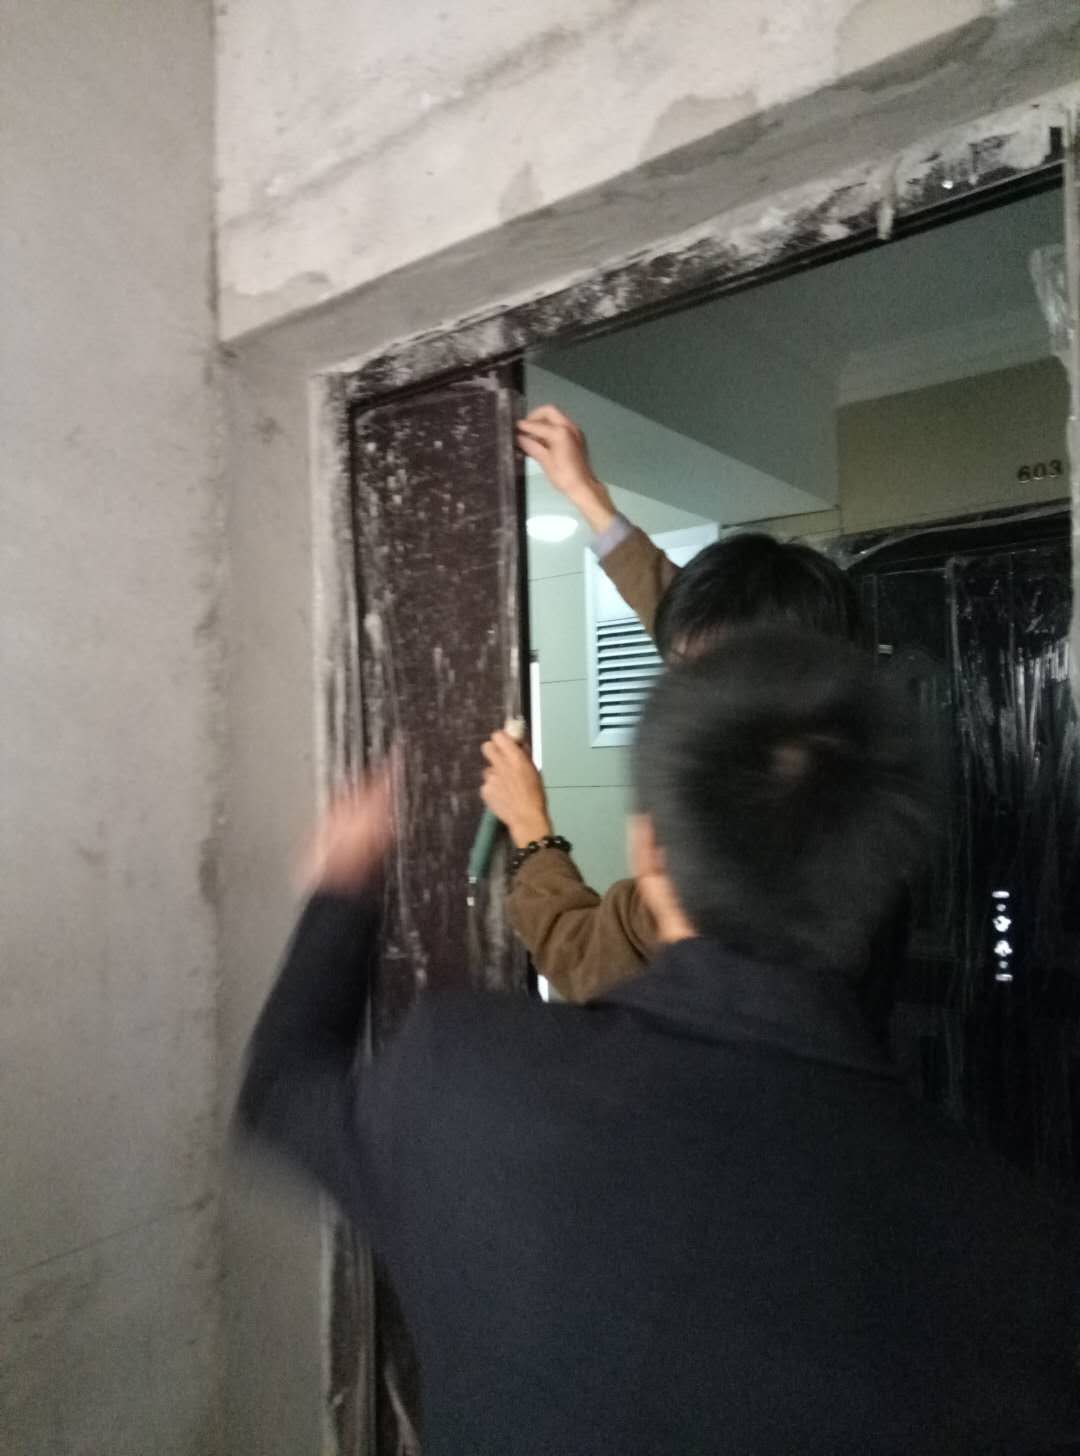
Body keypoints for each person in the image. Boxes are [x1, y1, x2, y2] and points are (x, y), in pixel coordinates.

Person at [237, 629, 1079, 1456]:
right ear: (886, 869)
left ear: (647, 846)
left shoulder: (465, 1084)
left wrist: (342, 889)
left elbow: (281, 1089)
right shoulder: (1024, 1264)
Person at [485, 404, 872, 1005]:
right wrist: (587, 496)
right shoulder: (845, 761)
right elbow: (682, 616)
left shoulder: (725, 868)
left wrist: (530, 829)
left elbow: (580, 955)